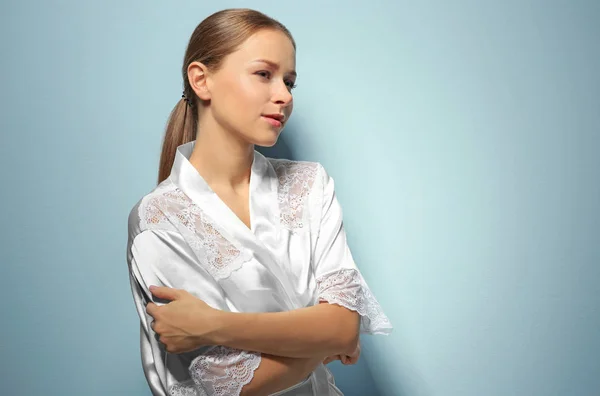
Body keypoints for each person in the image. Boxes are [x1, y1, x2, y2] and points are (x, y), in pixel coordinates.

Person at [126, 8, 393, 396]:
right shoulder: (158, 218)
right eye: (264, 74)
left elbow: (344, 325)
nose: (284, 95)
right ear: (202, 80)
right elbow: (230, 386)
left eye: (289, 81)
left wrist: (211, 324)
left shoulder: (310, 185)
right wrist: (325, 337)